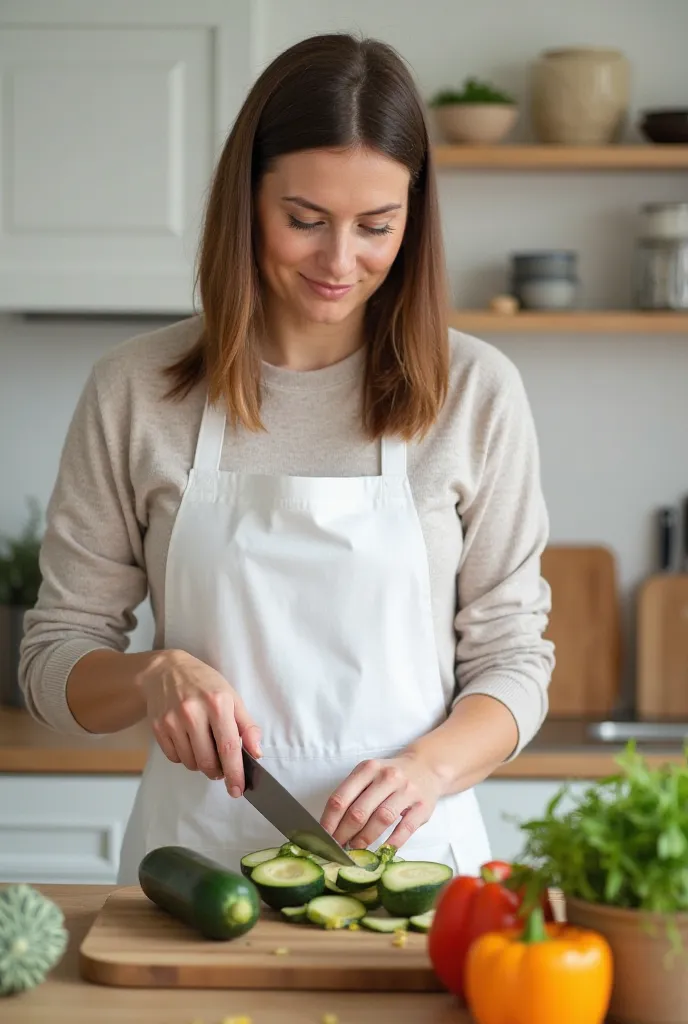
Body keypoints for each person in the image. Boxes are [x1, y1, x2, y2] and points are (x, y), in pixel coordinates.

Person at [19, 33, 554, 885]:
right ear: (246, 200)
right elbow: (55, 662)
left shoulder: (476, 392)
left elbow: (514, 659)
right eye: (304, 220)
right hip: (193, 878)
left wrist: (431, 769)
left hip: (412, 877)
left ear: (413, 217)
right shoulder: (135, 391)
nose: (341, 262)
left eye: (377, 226)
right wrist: (153, 675)